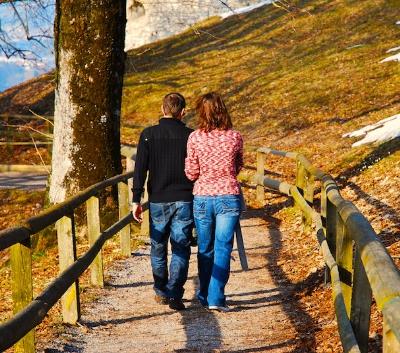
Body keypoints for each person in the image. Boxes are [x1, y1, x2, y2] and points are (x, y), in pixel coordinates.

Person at [132, 93, 194, 311]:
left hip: (158, 199)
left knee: (158, 246)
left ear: (162, 108)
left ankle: (160, 290)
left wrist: (136, 199)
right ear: (183, 111)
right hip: (185, 199)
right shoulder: (191, 136)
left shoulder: (148, 135)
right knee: (180, 247)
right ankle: (175, 293)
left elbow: (140, 169)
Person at [185, 92, 243, 312]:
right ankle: (216, 297)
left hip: (202, 197)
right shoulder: (235, 136)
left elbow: (191, 173)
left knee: (205, 248)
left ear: (201, 111)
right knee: (223, 248)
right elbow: (238, 167)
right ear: (223, 110)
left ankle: (203, 293)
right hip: (228, 195)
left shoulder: (195, 138)